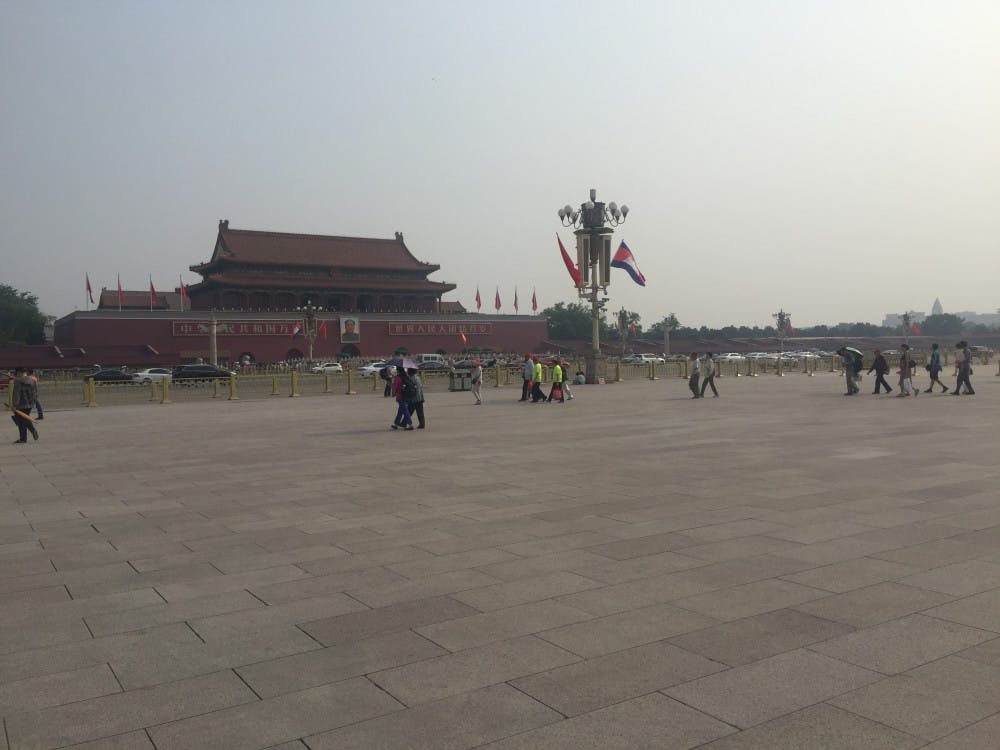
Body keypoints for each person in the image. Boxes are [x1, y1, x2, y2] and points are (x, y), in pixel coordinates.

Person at [9, 367, 39, 443]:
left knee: (21, 421)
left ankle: (24, 438)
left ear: (19, 372)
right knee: (25, 419)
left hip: (21, 404)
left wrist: (14, 405)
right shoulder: (32, 380)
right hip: (30, 403)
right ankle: (30, 432)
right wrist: (34, 401)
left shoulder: (18, 381)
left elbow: (17, 394)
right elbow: (36, 392)